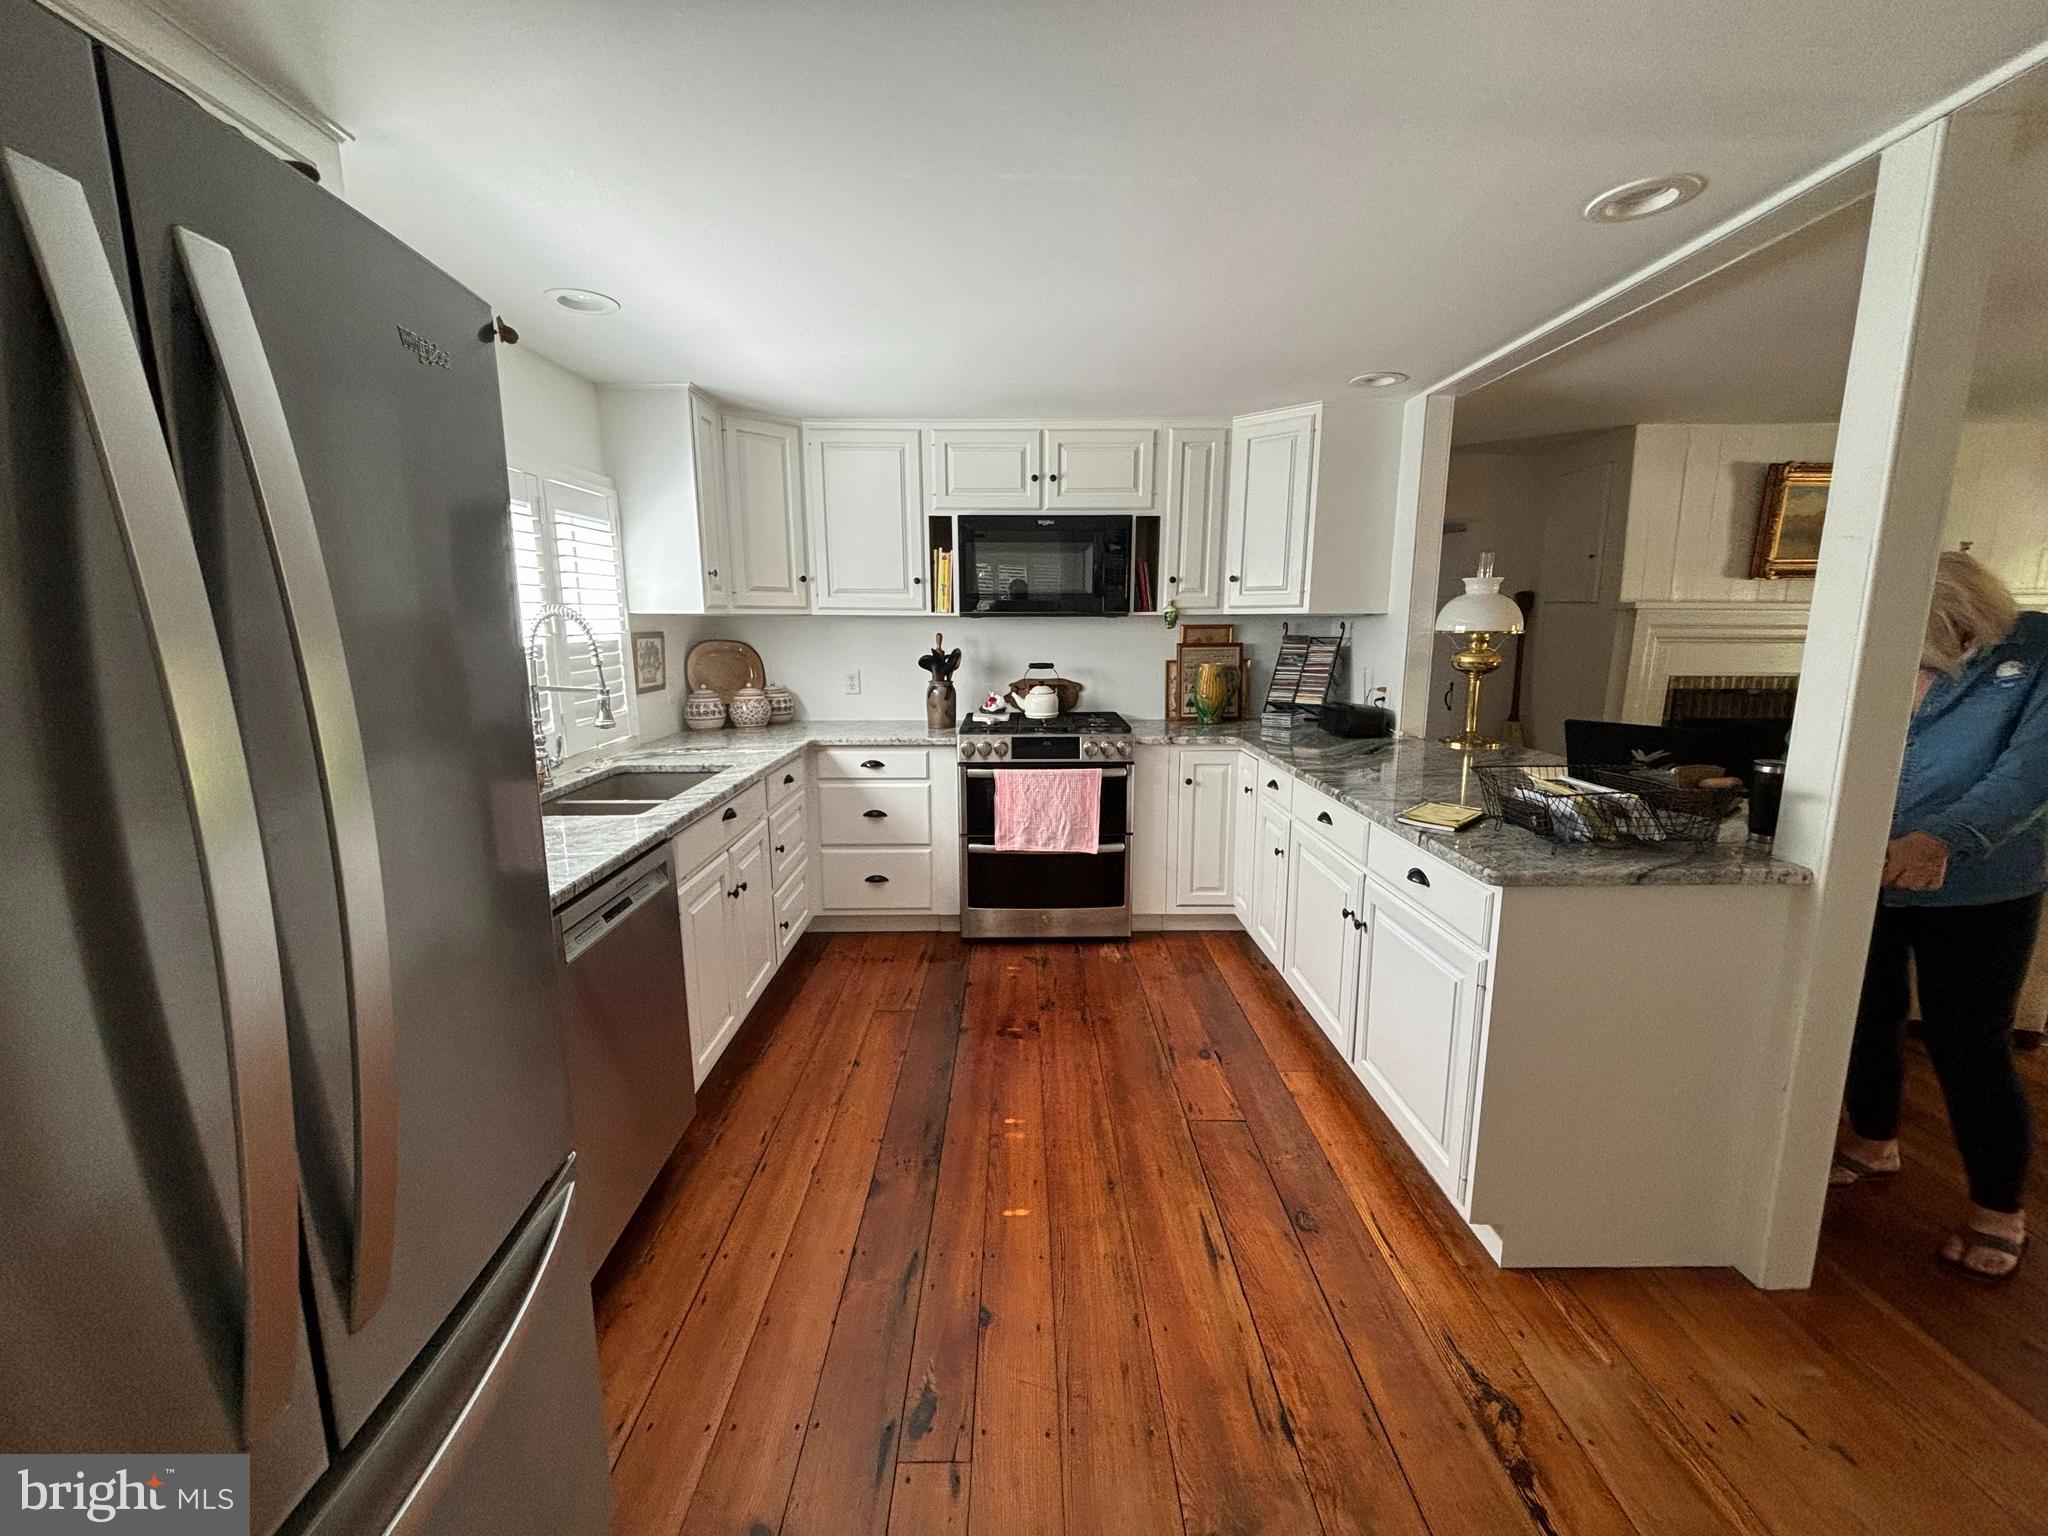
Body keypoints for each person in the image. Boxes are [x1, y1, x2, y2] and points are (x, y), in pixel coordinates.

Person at [1831, 552, 2048, 1281]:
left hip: (1980, 883)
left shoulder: (2036, 654)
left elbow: (2028, 773)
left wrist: (1943, 839)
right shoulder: (1876, 644)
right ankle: (1872, 1139)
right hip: (1865, 868)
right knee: (1863, 1011)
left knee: (1968, 1043)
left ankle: (1998, 1213)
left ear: (1962, 621)